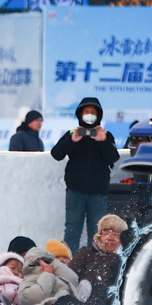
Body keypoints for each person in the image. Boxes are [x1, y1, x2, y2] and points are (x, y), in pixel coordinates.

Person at [50, 96, 119, 253]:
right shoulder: (72, 134)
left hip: (98, 192)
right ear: (80, 114)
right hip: (75, 190)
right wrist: (72, 140)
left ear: (98, 115)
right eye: (86, 112)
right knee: (72, 229)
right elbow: (56, 154)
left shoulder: (106, 136)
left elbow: (113, 158)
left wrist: (103, 141)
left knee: (97, 231)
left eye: (92, 112)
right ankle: (70, 263)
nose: (89, 115)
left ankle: (94, 265)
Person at [70, 214, 127, 305]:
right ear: (99, 237)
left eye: (115, 234)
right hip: (87, 298)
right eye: (105, 234)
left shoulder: (126, 260)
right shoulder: (86, 253)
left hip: (113, 300)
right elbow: (70, 274)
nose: (110, 238)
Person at [16, 246, 82, 305]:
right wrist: (47, 275)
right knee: (68, 302)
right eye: (42, 261)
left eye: (47, 261)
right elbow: (35, 297)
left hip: (67, 304)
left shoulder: (56, 274)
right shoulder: (28, 280)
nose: (46, 264)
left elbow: (73, 279)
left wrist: (54, 263)